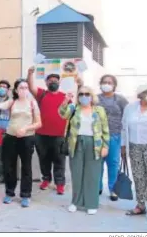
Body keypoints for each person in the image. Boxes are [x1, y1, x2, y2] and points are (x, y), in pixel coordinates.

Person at [59, 86, 109, 215]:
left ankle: (91, 203)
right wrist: (66, 101)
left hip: (94, 144)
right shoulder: (74, 108)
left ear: (92, 96)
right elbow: (62, 114)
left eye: (87, 94)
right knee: (76, 174)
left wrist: (105, 146)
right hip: (76, 143)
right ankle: (75, 202)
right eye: (81, 94)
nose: (84, 96)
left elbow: (105, 129)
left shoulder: (99, 110)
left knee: (92, 174)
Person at [0, 79, 41, 207]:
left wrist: (25, 129)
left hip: (27, 138)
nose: (24, 90)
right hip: (10, 137)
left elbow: (39, 123)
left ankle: (25, 195)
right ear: (16, 90)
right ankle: (9, 193)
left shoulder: (32, 103)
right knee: (9, 166)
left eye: (26, 87)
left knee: (26, 167)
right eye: (21, 87)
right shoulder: (12, 102)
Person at [27, 67, 68, 195]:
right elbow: (31, 87)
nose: (53, 82)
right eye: (50, 80)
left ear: (59, 83)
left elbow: (71, 113)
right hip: (41, 135)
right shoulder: (42, 94)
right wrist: (30, 74)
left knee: (59, 160)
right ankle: (46, 179)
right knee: (43, 159)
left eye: (55, 80)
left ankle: (60, 183)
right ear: (46, 83)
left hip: (59, 136)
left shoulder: (65, 97)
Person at [94, 75, 128, 200]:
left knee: (113, 163)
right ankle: (97, 187)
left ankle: (113, 189)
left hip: (115, 135)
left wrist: (125, 138)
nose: (107, 84)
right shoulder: (95, 99)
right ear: (100, 84)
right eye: (104, 82)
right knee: (98, 163)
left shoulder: (121, 100)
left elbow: (127, 117)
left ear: (114, 85)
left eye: (109, 82)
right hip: (98, 136)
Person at [121, 84, 147, 221]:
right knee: (139, 177)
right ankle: (141, 205)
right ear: (141, 94)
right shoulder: (130, 108)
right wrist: (123, 146)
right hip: (134, 147)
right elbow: (123, 127)